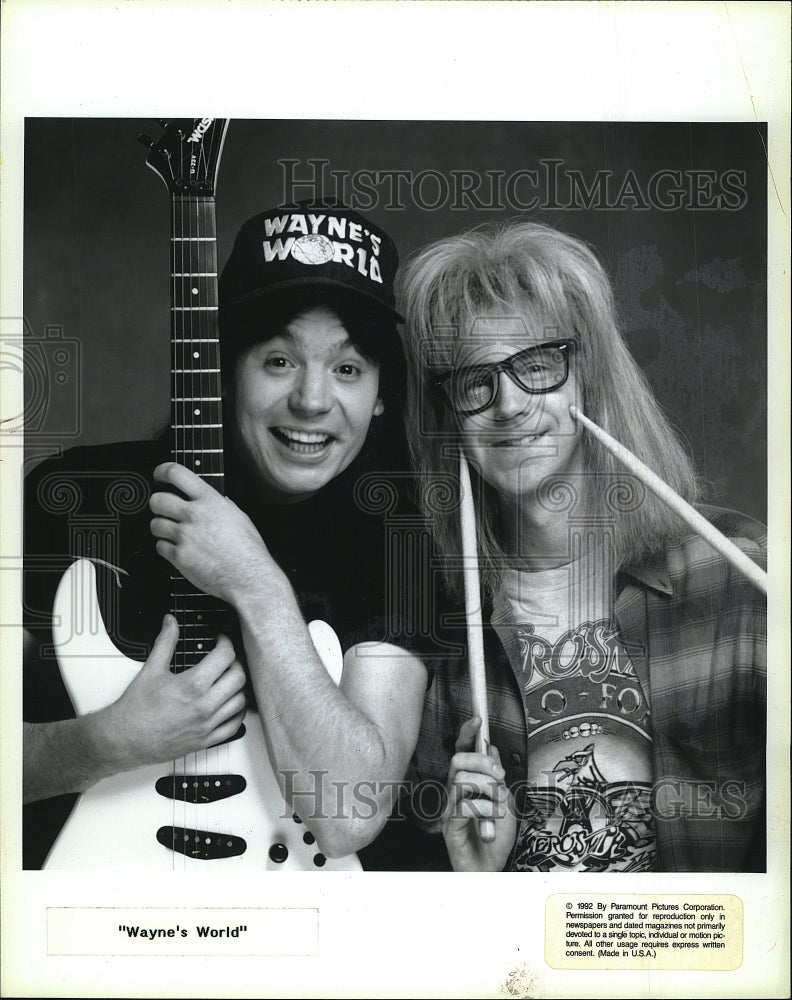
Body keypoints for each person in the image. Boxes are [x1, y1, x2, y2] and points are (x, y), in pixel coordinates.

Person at [23, 200, 432, 869]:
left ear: (383, 393)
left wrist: (256, 582)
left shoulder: (399, 542)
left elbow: (350, 814)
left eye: (348, 368)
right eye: (279, 360)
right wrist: (104, 743)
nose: (311, 400)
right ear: (225, 368)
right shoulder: (78, 494)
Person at [397, 219, 767, 873]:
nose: (507, 405)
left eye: (536, 365)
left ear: (587, 378)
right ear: (450, 416)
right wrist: (475, 881)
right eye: (474, 382)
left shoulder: (738, 574)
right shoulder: (446, 643)